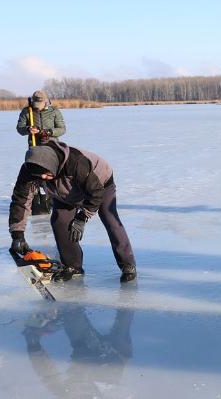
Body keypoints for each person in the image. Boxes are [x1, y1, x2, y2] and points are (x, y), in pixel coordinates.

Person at [9, 141, 137, 283]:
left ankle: (128, 265)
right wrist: (17, 234)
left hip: (100, 185)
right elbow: (20, 201)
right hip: (63, 191)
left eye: (45, 174)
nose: (43, 178)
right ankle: (73, 266)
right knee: (59, 221)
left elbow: (95, 193)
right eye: (40, 176)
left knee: (109, 218)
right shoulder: (30, 169)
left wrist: (82, 217)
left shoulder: (77, 163)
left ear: (53, 165)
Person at [16, 90, 65, 215]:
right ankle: (36, 198)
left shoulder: (54, 111)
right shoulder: (27, 111)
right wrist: (28, 129)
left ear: (45, 102)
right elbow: (20, 128)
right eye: (34, 104)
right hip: (35, 148)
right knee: (36, 174)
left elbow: (62, 129)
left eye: (39, 104)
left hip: (52, 148)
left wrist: (49, 132)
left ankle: (54, 198)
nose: (36, 106)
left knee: (52, 174)